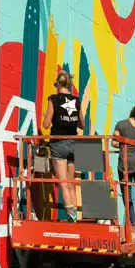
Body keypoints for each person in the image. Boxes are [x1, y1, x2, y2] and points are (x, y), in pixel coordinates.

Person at [42, 71, 85, 222]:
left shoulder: (53, 99)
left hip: (59, 144)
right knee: (71, 182)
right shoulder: (76, 100)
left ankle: (72, 216)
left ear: (57, 85)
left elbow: (46, 125)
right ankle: (76, 216)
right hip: (73, 144)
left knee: (63, 183)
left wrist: (45, 116)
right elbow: (82, 124)